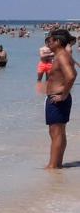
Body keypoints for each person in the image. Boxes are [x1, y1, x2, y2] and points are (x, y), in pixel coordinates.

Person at [43, 28, 76, 168]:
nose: (47, 43)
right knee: (59, 132)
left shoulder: (62, 55)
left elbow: (71, 76)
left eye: (49, 41)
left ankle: (52, 166)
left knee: (55, 133)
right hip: (59, 99)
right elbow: (73, 72)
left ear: (57, 41)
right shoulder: (63, 55)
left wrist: (63, 94)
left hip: (57, 100)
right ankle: (57, 164)